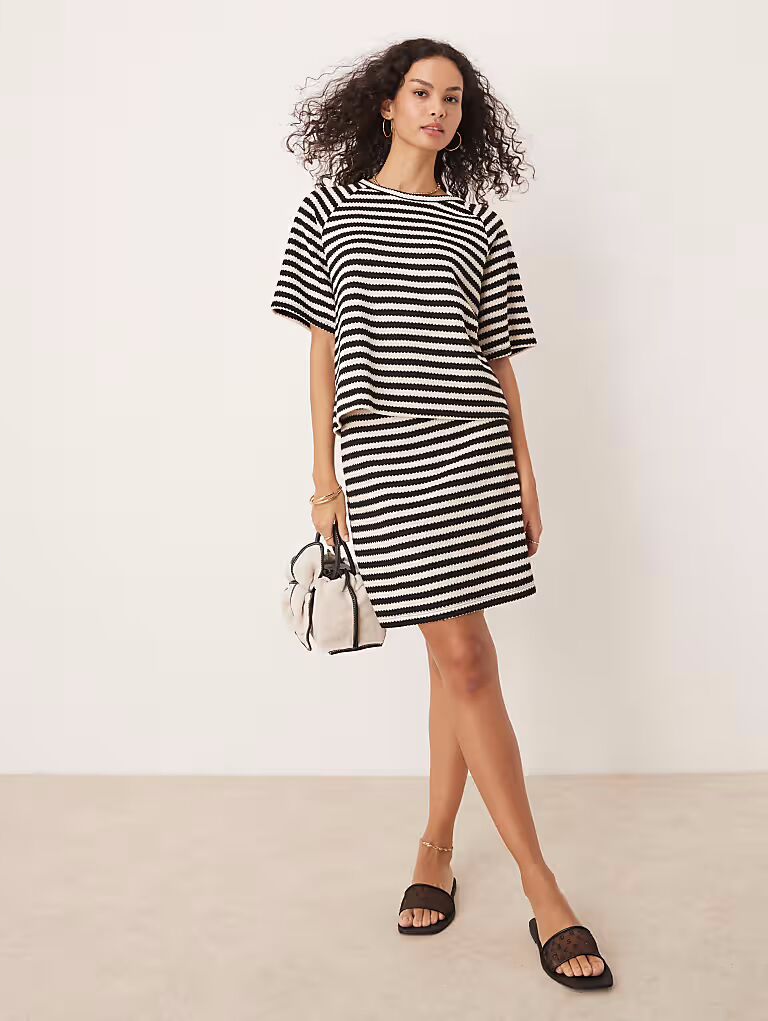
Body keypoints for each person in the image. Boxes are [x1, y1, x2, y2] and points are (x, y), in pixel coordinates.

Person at [270, 38, 613, 991]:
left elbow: (498, 357)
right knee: (463, 656)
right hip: (385, 461)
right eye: (421, 92)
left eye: (453, 99)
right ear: (385, 104)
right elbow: (322, 348)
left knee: (454, 657)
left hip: (474, 456)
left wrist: (526, 471)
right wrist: (324, 473)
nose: (437, 110)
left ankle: (437, 847)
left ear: (467, 118)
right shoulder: (330, 212)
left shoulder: (477, 224)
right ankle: (543, 887)